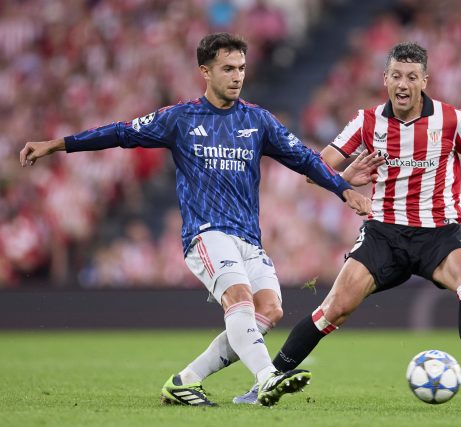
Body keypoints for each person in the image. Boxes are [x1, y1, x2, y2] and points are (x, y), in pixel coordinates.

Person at [19, 32, 371, 407]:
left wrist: (343, 189)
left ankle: (184, 381)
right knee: (239, 298)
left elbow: (305, 158)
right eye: (228, 69)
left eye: (241, 68)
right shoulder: (180, 118)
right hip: (205, 233)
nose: (237, 76)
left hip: (248, 237)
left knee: (269, 310)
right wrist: (56, 144)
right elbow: (121, 133)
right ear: (205, 71)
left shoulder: (258, 121)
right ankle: (267, 377)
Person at [235, 41, 461, 404]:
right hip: (384, 233)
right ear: (385, 78)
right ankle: (267, 381)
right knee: (335, 308)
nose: (403, 84)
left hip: (439, 232)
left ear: (425, 81)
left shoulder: (452, 120)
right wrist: (344, 178)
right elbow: (315, 167)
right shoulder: (367, 121)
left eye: (412, 77)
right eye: (396, 76)